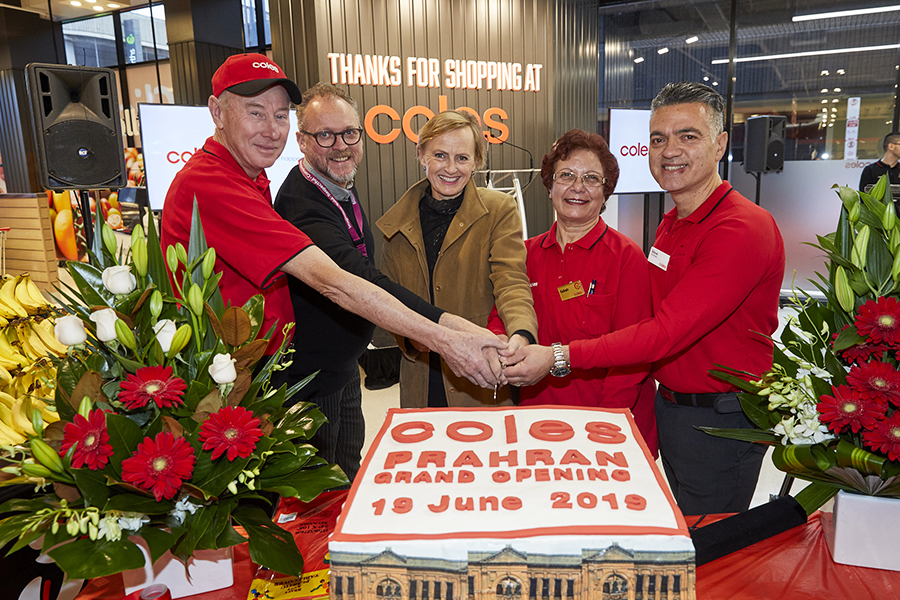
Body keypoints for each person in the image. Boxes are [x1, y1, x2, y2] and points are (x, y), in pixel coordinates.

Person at [504, 82, 786, 515]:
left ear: (720, 144)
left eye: (687, 136)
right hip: (673, 410)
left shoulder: (742, 228)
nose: (670, 150)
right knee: (675, 532)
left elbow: (662, 332)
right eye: (658, 139)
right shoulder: (671, 225)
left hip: (720, 421)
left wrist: (558, 357)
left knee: (710, 550)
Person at [161, 53, 505, 404]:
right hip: (241, 382)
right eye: (255, 113)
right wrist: (446, 337)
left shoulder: (254, 176)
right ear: (217, 112)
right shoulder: (212, 184)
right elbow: (336, 281)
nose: (271, 129)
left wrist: (456, 329)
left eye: (279, 115)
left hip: (287, 370)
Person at [272, 83, 447, 481]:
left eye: (350, 133)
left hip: (343, 368)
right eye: (325, 135)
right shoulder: (303, 203)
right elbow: (357, 275)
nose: (340, 146)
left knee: (348, 474)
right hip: (311, 381)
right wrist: (442, 326)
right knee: (319, 493)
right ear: (301, 141)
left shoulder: (338, 185)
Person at [488, 130, 657, 456]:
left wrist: (605, 426)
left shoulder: (626, 257)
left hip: (609, 422)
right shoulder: (524, 255)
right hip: (535, 418)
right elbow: (501, 316)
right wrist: (500, 349)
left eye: (592, 178)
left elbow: (635, 355)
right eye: (566, 175)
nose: (578, 187)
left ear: (606, 192)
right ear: (550, 186)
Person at [377, 110, 538, 408]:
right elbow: (389, 304)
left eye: (462, 158)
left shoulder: (499, 210)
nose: (451, 168)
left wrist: (522, 333)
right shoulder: (395, 224)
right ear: (421, 154)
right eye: (440, 155)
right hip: (422, 377)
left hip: (480, 374)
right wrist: (414, 339)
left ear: (477, 161)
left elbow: (511, 281)